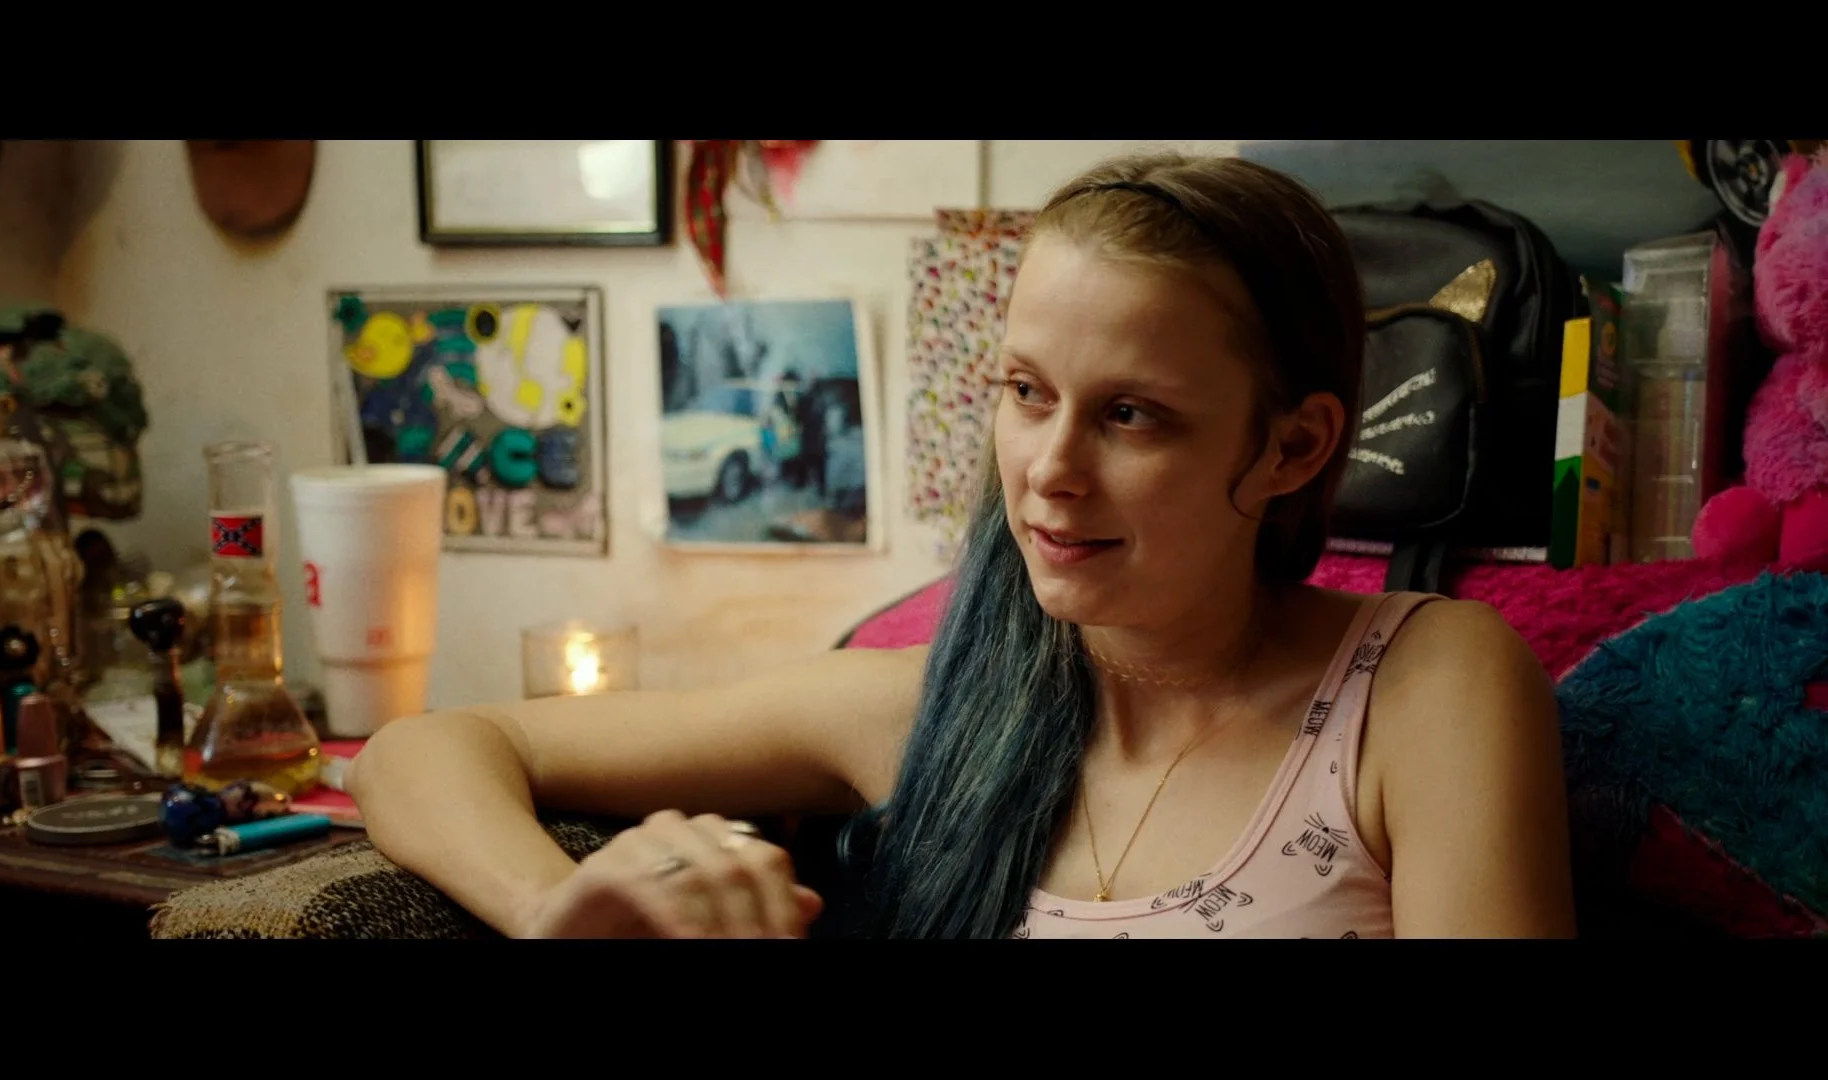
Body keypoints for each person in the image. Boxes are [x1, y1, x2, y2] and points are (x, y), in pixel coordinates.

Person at [347, 151, 1577, 939]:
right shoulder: (922, 712)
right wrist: (554, 909)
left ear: (1294, 448)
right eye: (1027, 391)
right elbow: (423, 750)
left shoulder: (1428, 687)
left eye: (1131, 414)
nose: (1049, 469)